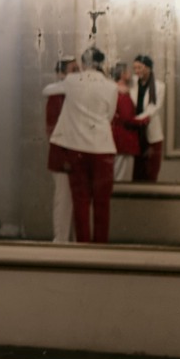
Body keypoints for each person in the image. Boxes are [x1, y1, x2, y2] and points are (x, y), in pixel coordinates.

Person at [50, 47, 119, 243]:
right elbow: (109, 115)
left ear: (83, 63)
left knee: (80, 201)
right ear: (102, 63)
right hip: (103, 148)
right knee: (102, 203)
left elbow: (48, 90)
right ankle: (101, 247)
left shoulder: (71, 81)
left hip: (77, 148)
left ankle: (83, 247)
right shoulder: (111, 86)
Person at [43, 56, 77, 242]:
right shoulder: (56, 95)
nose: (78, 74)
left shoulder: (74, 93)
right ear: (61, 73)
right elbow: (52, 128)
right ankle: (61, 240)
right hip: (62, 154)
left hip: (76, 153)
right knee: (63, 200)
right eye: (73, 70)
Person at [130, 54, 165, 182]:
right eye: (135, 68)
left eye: (139, 67)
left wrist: (138, 119)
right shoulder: (132, 82)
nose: (136, 71)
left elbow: (154, 107)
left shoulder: (159, 86)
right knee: (137, 168)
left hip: (151, 131)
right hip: (136, 132)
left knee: (152, 169)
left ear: (148, 68)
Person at [110, 61, 142, 181]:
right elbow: (127, 117)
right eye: (127, 71)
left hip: (116, 136)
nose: (130, 73)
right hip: (125, 138)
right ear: (122, 74)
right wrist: (143, 120)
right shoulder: (123, 93)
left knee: (118, 172)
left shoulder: (113, 90)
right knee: (123, 176)